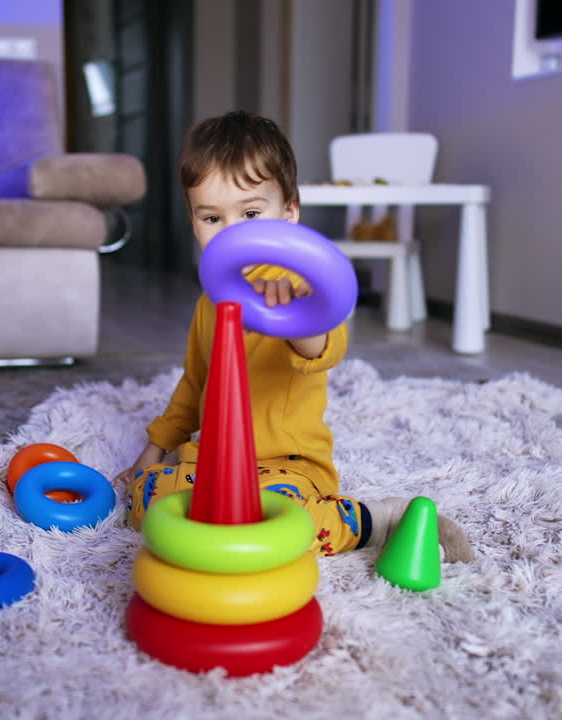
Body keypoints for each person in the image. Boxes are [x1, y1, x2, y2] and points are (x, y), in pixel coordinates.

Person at [116, 110, 473, 562]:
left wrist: (298, 315)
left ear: (289, 212)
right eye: (212, 218)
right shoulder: (210, 301)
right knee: (148, 502)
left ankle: (378, 519)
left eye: (250, 212)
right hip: (214, 460)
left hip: (286, 463)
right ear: (192, 219)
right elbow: (194, 383)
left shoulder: (297, 289)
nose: (232, 233)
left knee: (291, 527)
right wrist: (153, 451)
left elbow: (323, 351)